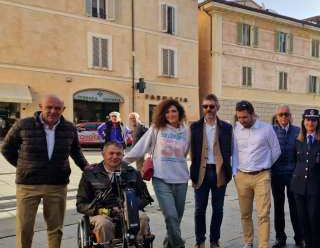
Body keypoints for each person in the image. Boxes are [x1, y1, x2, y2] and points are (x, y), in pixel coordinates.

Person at [1, 94, 89, 248]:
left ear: (63, 109)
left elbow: (76, 152)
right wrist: (23, 166)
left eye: (57, 108)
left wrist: (86, 167)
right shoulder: (23, 124)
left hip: (57, 185)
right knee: (24, 228)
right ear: (41, 107)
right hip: (28, 185)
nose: (53, 111)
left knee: (55, 229)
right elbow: (6, 148)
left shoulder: (69, 128)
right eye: (49, 107)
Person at [124, 99, 190, 248]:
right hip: (161, 179)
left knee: (176, 219)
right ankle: (179, 245)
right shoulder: (157, 128)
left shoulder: (186, 130)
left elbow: (185, 153)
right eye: (167, 111)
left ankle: (169, 244)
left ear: (179, 113)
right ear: (162, 114)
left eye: (174, 111)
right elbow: (140, 147)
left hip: (181, 179)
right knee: (171, 216)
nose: (171, 114)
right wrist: (120, 162)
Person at [76, 141, 153, 247]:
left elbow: (145, 197)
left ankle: (138, 244)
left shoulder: (132, 172)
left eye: (118, 154)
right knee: (104, 224)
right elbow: (81, 205)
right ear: (103, 154)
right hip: (101, 213)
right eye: (111, 153)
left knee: (142, 217)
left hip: (128, 212)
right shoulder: (90, 175)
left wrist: (130, 207)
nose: (115, 156)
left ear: (123, 155)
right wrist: (101, 210)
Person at [232, 100, 282, 248]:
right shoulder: (236, 129)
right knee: (245, 214)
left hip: (262, 176)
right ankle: (248, 242)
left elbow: (276, 151)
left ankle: (263, 245)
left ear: (253, 114)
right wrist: (235, 173)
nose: (242, 121)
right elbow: (233, 152)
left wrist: (264, 165)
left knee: (263, 214)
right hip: (241, 176)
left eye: (245, 117)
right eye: (239, 117)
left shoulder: (266, 129)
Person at [189, 94, 233, 248]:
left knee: (218, 209)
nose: (208, 109)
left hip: (219, 172)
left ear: (217, 107)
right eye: (205, 106)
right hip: (201, 173)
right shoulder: (194, 127)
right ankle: (200, 240)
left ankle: (215, 240)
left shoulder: (227, 128)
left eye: (211, 106)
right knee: (199, 209)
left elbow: (233, 149)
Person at [291, 109, 320, 248]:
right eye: (308, 119)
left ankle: (316, 245)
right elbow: (294, 161)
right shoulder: (298, 140)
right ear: (303, 122)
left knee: (314, 217)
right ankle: (308, 244)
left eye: (313, 120)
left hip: (315, 186)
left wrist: (319, 177)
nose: (310, 122)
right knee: (302, 218)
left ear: (318, 122)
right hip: (298, 187)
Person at [271, 105, 304, 248]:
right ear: (276, 116)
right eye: (281, 115)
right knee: (278, 207)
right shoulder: (270, 131)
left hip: (293, 175)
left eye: (286, 114)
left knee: (295, 207)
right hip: (276, 175)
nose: (283, 117)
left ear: (290, 116)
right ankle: (280, 238)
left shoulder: (298, 131)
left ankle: (299, 237)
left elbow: (302, 153)